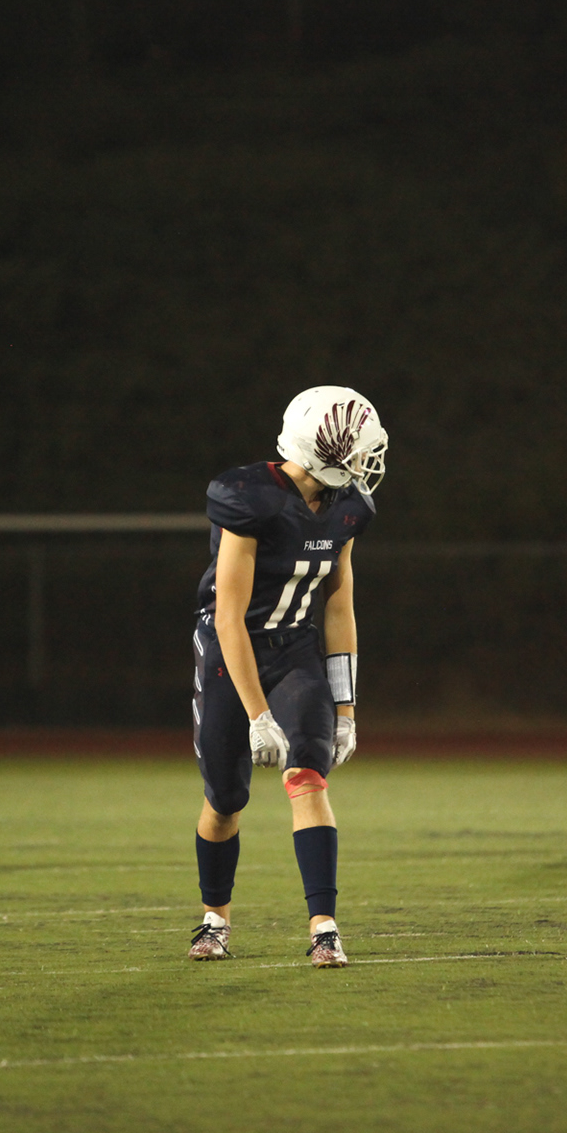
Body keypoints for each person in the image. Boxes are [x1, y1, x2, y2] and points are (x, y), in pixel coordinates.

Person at [187, 387, 387, 967]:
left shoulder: (348, 507)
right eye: (357, 448)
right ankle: (214, 920)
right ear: (325, 450)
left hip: (295, 649)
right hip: (231, 650)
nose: (366, 460)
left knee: (308, 773)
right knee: (225, 799)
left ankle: (325, 928)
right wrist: (257, 714)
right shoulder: (249, 499)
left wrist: (346, 709)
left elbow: (339, 607)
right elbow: (230, 616)